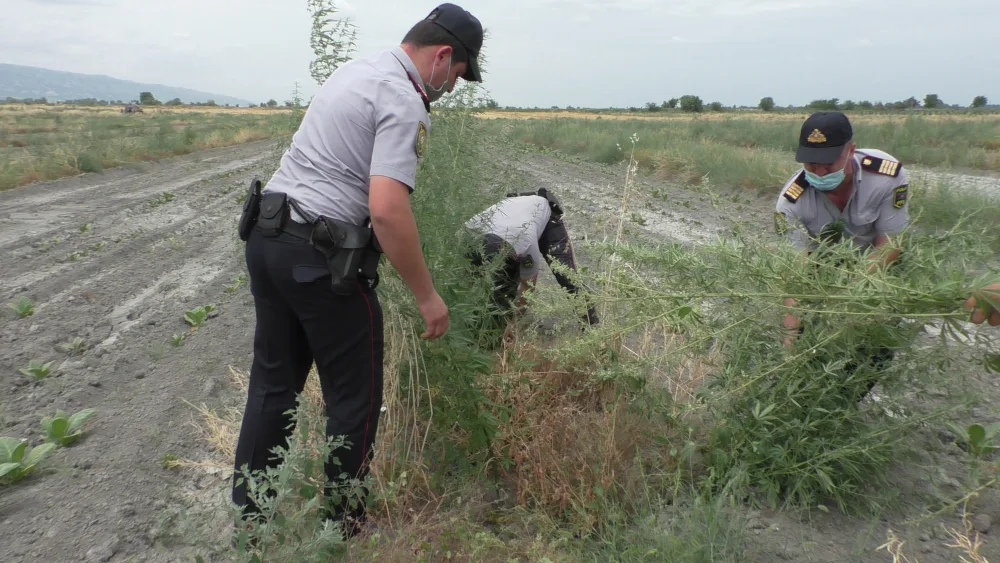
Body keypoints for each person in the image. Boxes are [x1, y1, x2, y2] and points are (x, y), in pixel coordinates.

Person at [231, 2, 484, 538]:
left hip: (268, 239)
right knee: (355, 399)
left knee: (273, 387)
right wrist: (427, 296)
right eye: (458, 75)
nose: (452, 87)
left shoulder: (357, 71)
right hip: (319, 259)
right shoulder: (403, 98)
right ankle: (342, 530)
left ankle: (248, 522)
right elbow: (387, 210)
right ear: (442, 56)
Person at [774, 111, 910, 402]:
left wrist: (851, 296)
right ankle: (810, 400)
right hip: (823, 272)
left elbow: (890, 242)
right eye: (811, 164)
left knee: (875, 345)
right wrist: (789, 345)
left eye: (828, 163)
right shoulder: (791, 203)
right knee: (812, 344)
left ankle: (846, 404)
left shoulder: (886, 176)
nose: (820, 172)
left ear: (851, 150)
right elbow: (796, 278)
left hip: (877, 264)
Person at [463, 188, 599, 343]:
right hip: (510, 220)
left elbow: (527, 287)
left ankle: (593, 331)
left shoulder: (525, 243)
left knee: (566, 276)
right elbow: (461, 274)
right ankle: (491, 337)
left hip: (546, 217)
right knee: (500, 286)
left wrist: (513, 324)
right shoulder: (469, 232)